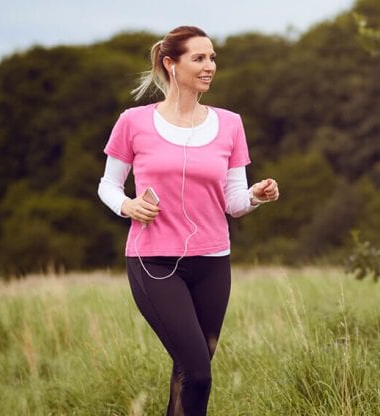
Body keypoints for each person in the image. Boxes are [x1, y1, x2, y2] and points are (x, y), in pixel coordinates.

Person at [96, 25, 279, 415]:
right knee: (197, 371)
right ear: (170, 64)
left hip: (213, 262)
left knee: (191, 372)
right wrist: (126, 205)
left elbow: (233, 201)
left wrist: (255, 196)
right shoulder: (133, 122)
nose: (209, 65)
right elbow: (108, 185)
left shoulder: (231, 124)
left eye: (212, 57)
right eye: (199, 58)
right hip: (153, 261)